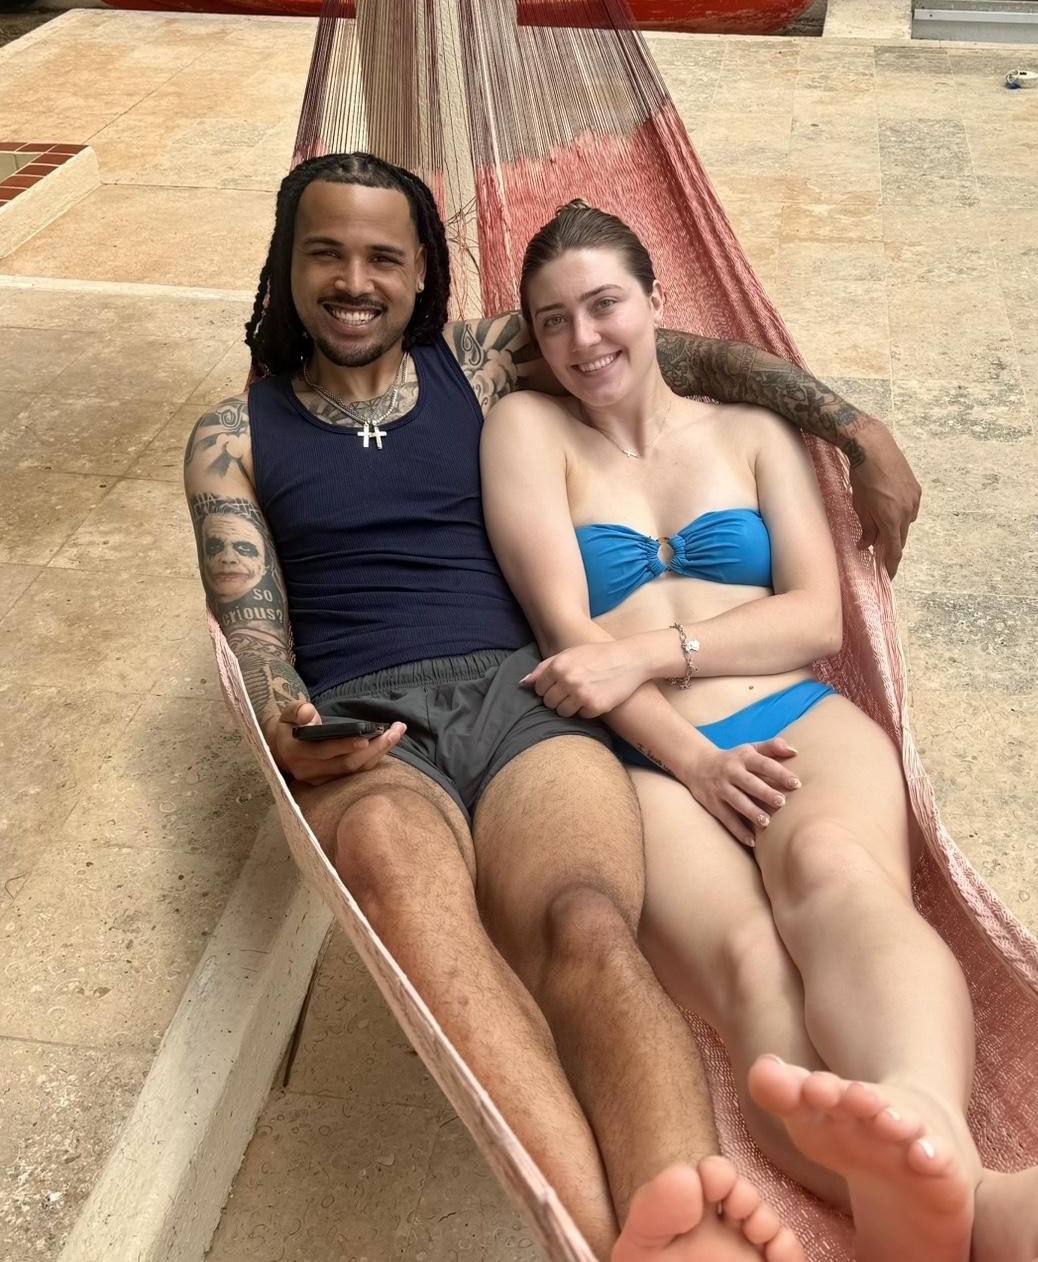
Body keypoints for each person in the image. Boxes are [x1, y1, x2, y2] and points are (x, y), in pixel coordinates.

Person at [184, 152, 919, 1261]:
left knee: (586, 923)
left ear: (420, 272)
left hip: (522, 695)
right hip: (369, 726)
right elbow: (253, 633)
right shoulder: (231, 437)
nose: (355, 281)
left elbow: (672, 353)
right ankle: (622, 1237)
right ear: (287, 265)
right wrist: (286, 717)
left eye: (384, 257)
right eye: (325, 253)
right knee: (395, 874)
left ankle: (683, 1214)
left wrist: (854, 427)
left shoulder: (474, 365)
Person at [480, 200, 1038, 1262]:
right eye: (553, 320)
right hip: (645, 757)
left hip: (797, 713)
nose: (583, 339)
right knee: (750, 966)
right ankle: (975, 1206)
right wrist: (696, 760)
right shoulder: (527, 432)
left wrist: (650, 650)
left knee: (837, 877)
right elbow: (571, 640)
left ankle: (930, 1157)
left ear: (658, 302)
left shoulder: (751, 434)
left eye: (605, 304)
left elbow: (816, 618)